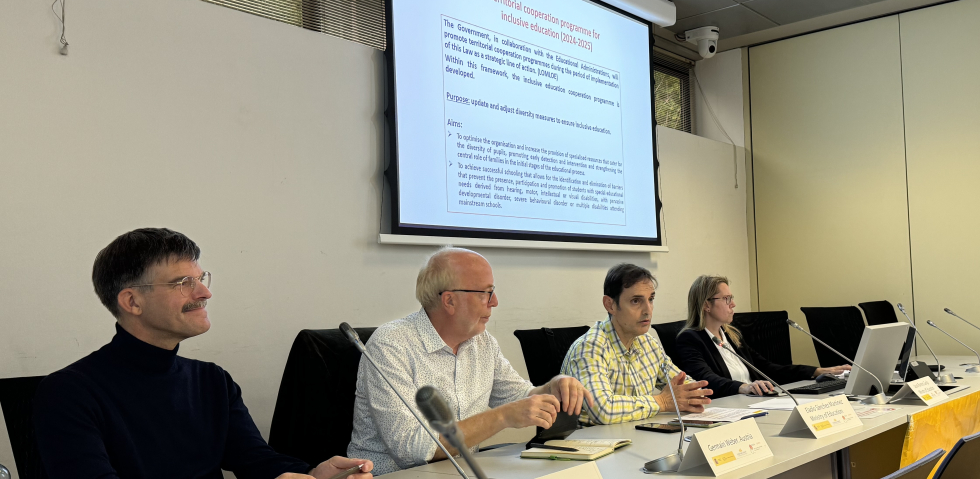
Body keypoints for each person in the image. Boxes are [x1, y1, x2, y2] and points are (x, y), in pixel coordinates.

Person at [34, 228, 373, 479]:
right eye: (183, 282)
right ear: (132, 301)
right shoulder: (68, 393)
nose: (204, 292)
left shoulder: (211, 380)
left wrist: (313, 473)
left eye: (201, 278)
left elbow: (256, 461)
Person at [347, 247, 593, 475]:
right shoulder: (391, 345)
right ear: (450, 301)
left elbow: (520, 397)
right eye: (486, 293)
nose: (494, 302)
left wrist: (554, 387)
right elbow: (413, 449)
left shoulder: (482, 342)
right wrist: (501, 417)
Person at [561, 263, 712, 425]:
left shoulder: (648, 343)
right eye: (635, 301)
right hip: (591, 442)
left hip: (636, 434)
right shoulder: (590, 347)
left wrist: (693, 395)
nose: (648, 310)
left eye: (651, 299)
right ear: (610, 305)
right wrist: (662, 401)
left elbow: (686, 388)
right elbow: (603, 410)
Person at [675, 275, 850, 398]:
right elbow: (706, 380)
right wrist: (744, 387)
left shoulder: (731, 335)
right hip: (727, 408)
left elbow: (766, 368)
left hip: (754, 403)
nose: (733, 304)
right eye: (727, 299)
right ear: (706, 305)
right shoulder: (690, 340)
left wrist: (816, 371)